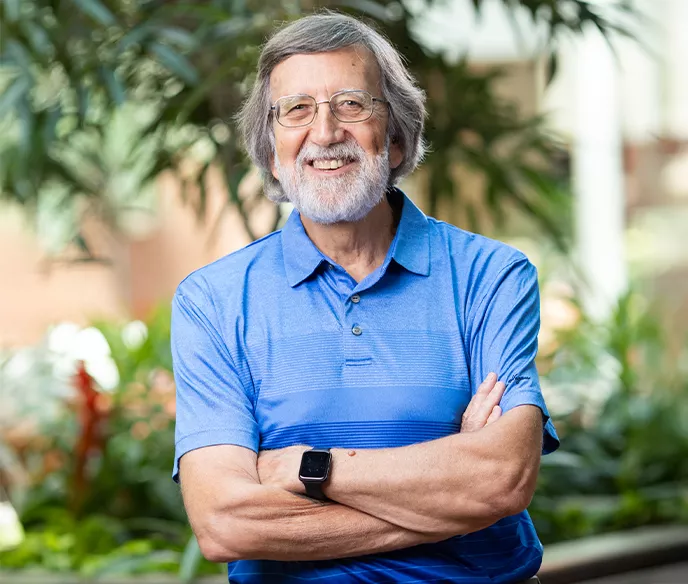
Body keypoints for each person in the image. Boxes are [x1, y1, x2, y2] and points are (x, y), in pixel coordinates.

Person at [171, 12, 559, 584]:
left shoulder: (491, 275)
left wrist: (309, 468)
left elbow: (501, 481)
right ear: (272, 150)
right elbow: (227, 525)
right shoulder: (212, 300)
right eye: (297, 110)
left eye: (352, 104)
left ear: (397, 138)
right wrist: (453, 501)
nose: (325, 132)